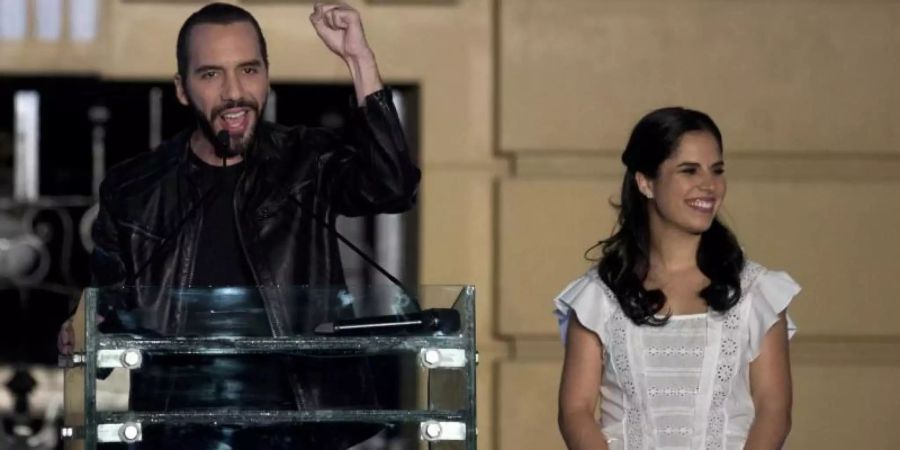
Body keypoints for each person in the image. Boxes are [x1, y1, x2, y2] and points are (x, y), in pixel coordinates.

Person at [58, 2, 419, 449]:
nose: (234, 92)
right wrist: (81, 331)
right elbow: (106, 322)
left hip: (299, 434)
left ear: (266, 75)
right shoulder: (134, 190)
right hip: (179, 435)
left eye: (249, 70)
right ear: (183, 90)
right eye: (211, 74)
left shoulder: (306, 161)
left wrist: (359, 60)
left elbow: (393, 186)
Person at [554, 107, 797, 450]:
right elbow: (575, 410)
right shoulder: (600, 293)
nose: (709, 185)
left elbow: (775, 410)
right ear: (646, 182)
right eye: (689, 170)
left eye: (717, 170)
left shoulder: (756, 290)